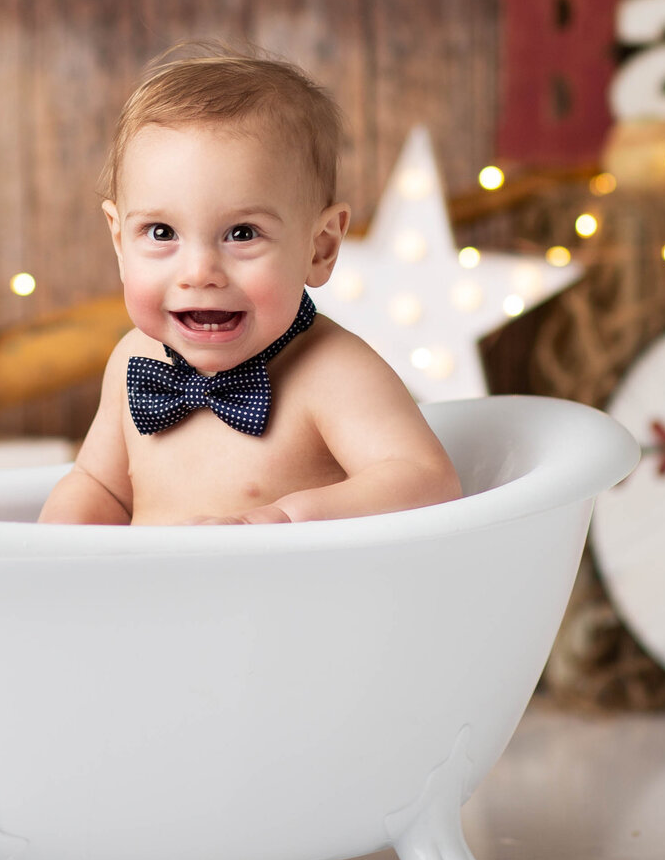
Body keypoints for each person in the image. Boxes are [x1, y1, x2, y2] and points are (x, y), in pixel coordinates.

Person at [40, 45, 463, 527]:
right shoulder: (131, 360)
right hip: (148, 601)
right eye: (162, 233)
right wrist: (55, 546)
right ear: (119, 241)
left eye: (242, 233)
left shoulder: (332, 373)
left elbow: (428, 480)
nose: (199, 273)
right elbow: (100, 487)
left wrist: (282, 519)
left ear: (319, 248)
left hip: (281, 601)